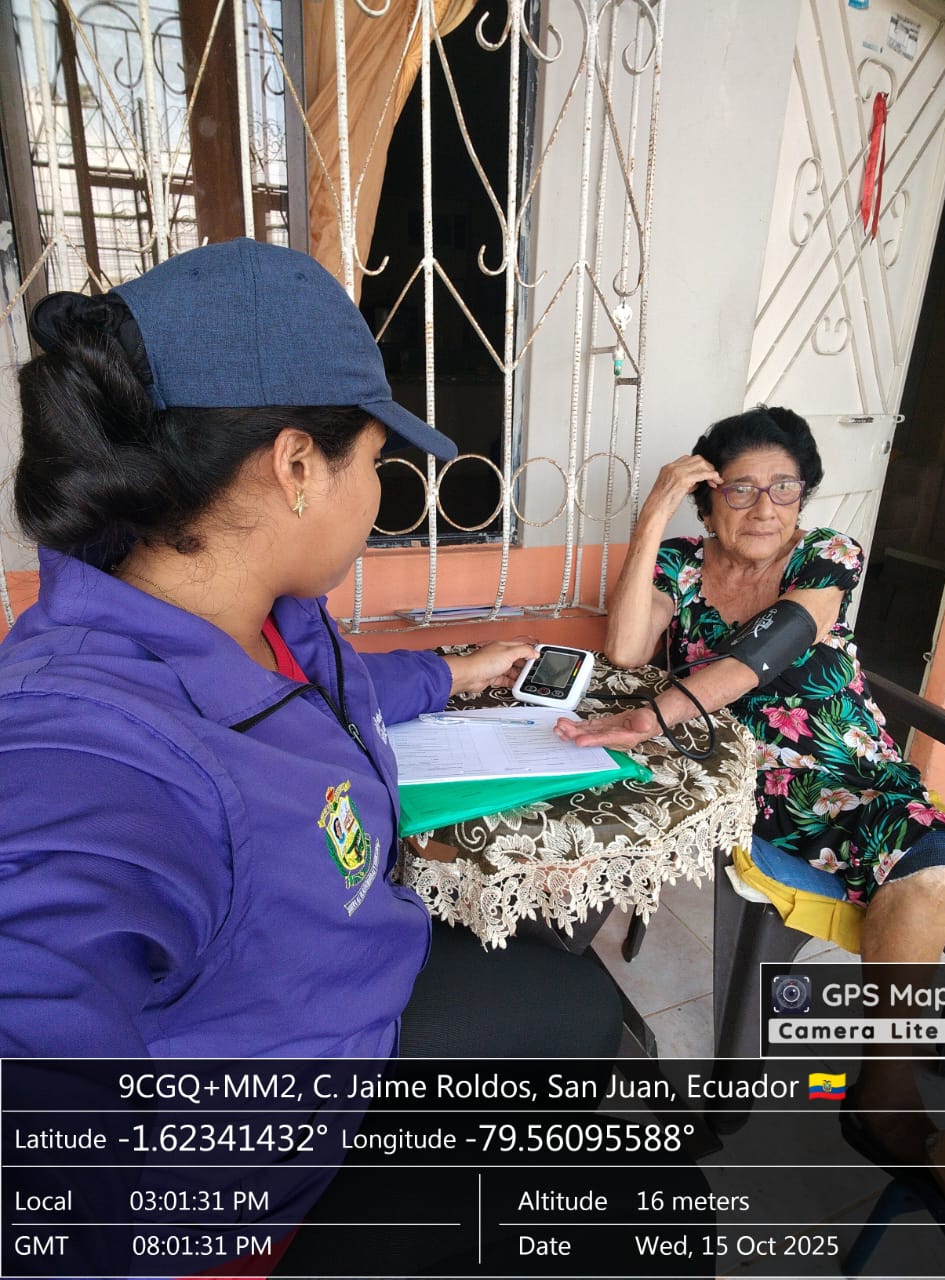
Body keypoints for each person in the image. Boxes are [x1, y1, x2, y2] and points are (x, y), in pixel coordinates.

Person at [0, 237, 624, 1065]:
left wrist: (453, 672)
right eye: (375, 459)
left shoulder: (265, 614)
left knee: (573, 994)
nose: (377, 490)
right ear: (297, 465)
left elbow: (321, 697)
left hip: (358, 973)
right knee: (582, 1014)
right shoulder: (88, 746)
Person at [556, 405, 945, 1172]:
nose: (765, 508)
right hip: (757, 775)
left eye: (784, 488)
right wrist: (651, 517)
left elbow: (776, 644)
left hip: (860, 764)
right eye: (739, 490)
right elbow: (626, 650)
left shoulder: (827, 553)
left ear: (803, 497)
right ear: (708, 504)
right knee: (929, 863)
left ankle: (887, 1074)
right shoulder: (679, 564)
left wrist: (656, 713)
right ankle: (888, 1094)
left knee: (934, 862)